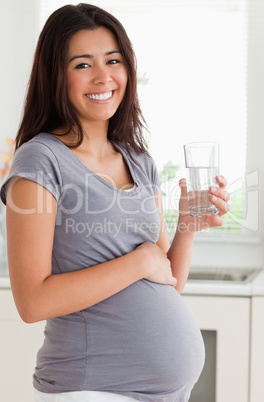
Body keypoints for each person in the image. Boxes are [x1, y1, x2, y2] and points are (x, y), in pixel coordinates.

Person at [0, 4, 230, 402]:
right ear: (56, 75)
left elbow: (168, 279)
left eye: (113, 60)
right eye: (83, 64)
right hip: (93, 389)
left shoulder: (139, 160)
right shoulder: (41, 160)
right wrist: (137, 261)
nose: (103, 76)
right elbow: (32, 301)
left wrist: (187, 227)